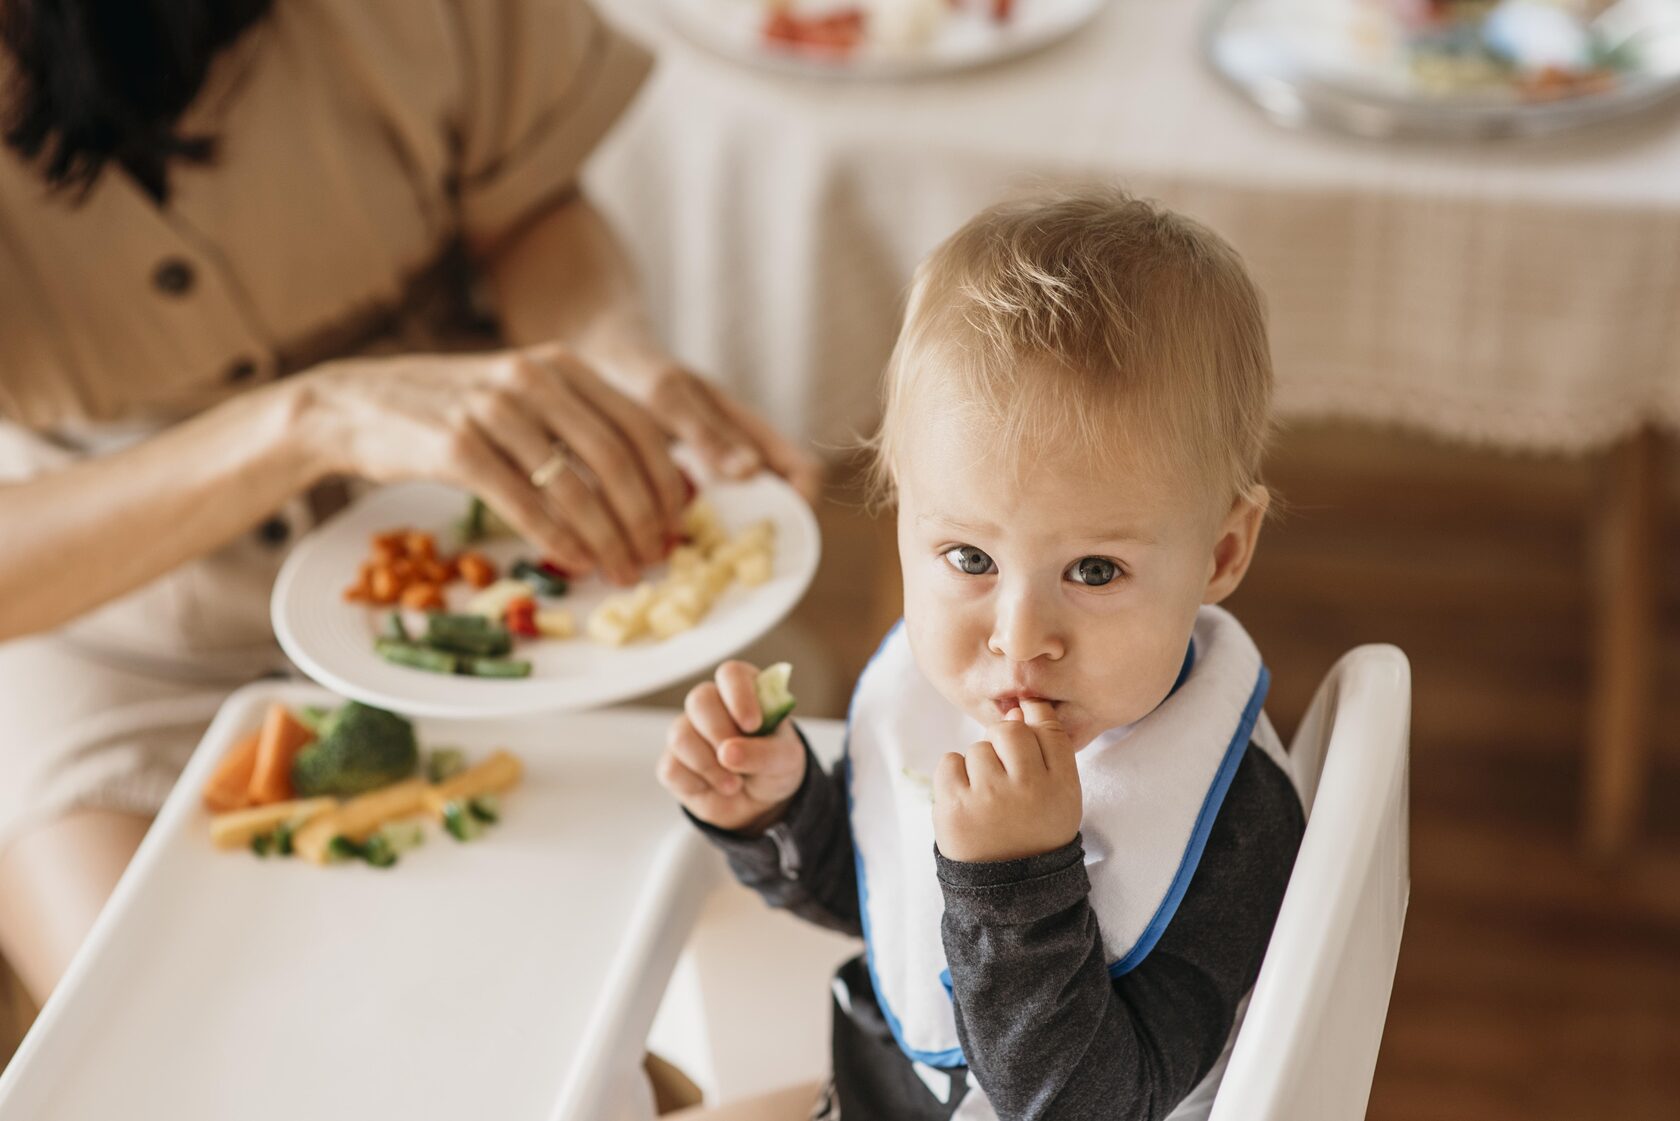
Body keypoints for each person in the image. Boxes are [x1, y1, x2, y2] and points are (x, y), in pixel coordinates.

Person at [0, 0, 819, 1006]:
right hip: (109, 612)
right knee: (136, 1022)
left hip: (519, 543)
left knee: (747, 953)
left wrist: (607, 362)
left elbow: (528, 209)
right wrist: (304, 422)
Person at [657, 188, 1306, 1120]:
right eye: (970, 557)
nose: (1018, 635)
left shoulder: (1229, 818)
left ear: (1222, 554)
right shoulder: (967, 703)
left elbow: (1085, 1106)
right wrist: (778, 811)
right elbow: (891, 905)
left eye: (1093, 568)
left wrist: (1013, 879)